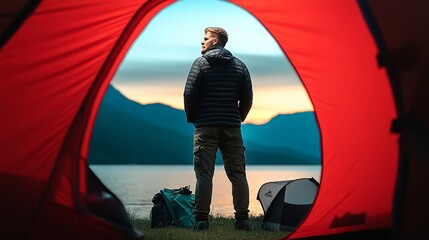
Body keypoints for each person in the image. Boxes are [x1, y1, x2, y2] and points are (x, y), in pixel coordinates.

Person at [183, 27, 253, 231]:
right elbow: (247, 97)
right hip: (232, 127)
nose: (202, 42)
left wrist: (193, 117)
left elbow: (189, 94)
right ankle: (242, 221)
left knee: (204, 174)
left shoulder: (200, 64)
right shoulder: (240, 66)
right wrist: (238, 117)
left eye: (205, 38)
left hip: (205, 127)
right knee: (238, 173)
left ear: (215, 41)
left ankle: (201, 221)